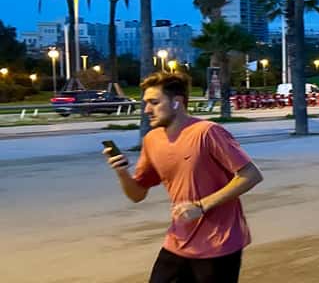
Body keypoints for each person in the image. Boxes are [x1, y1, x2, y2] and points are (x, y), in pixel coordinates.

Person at [104, 73, 264, 283]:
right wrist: (122, 172)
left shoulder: (208, 132)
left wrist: (201, 205)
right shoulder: (152, 140)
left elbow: (251, 175)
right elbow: (137, 195)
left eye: (154, 102)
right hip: (178, 240)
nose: (147, 110)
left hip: (218, 243)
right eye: (146, 103)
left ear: (177, 102)